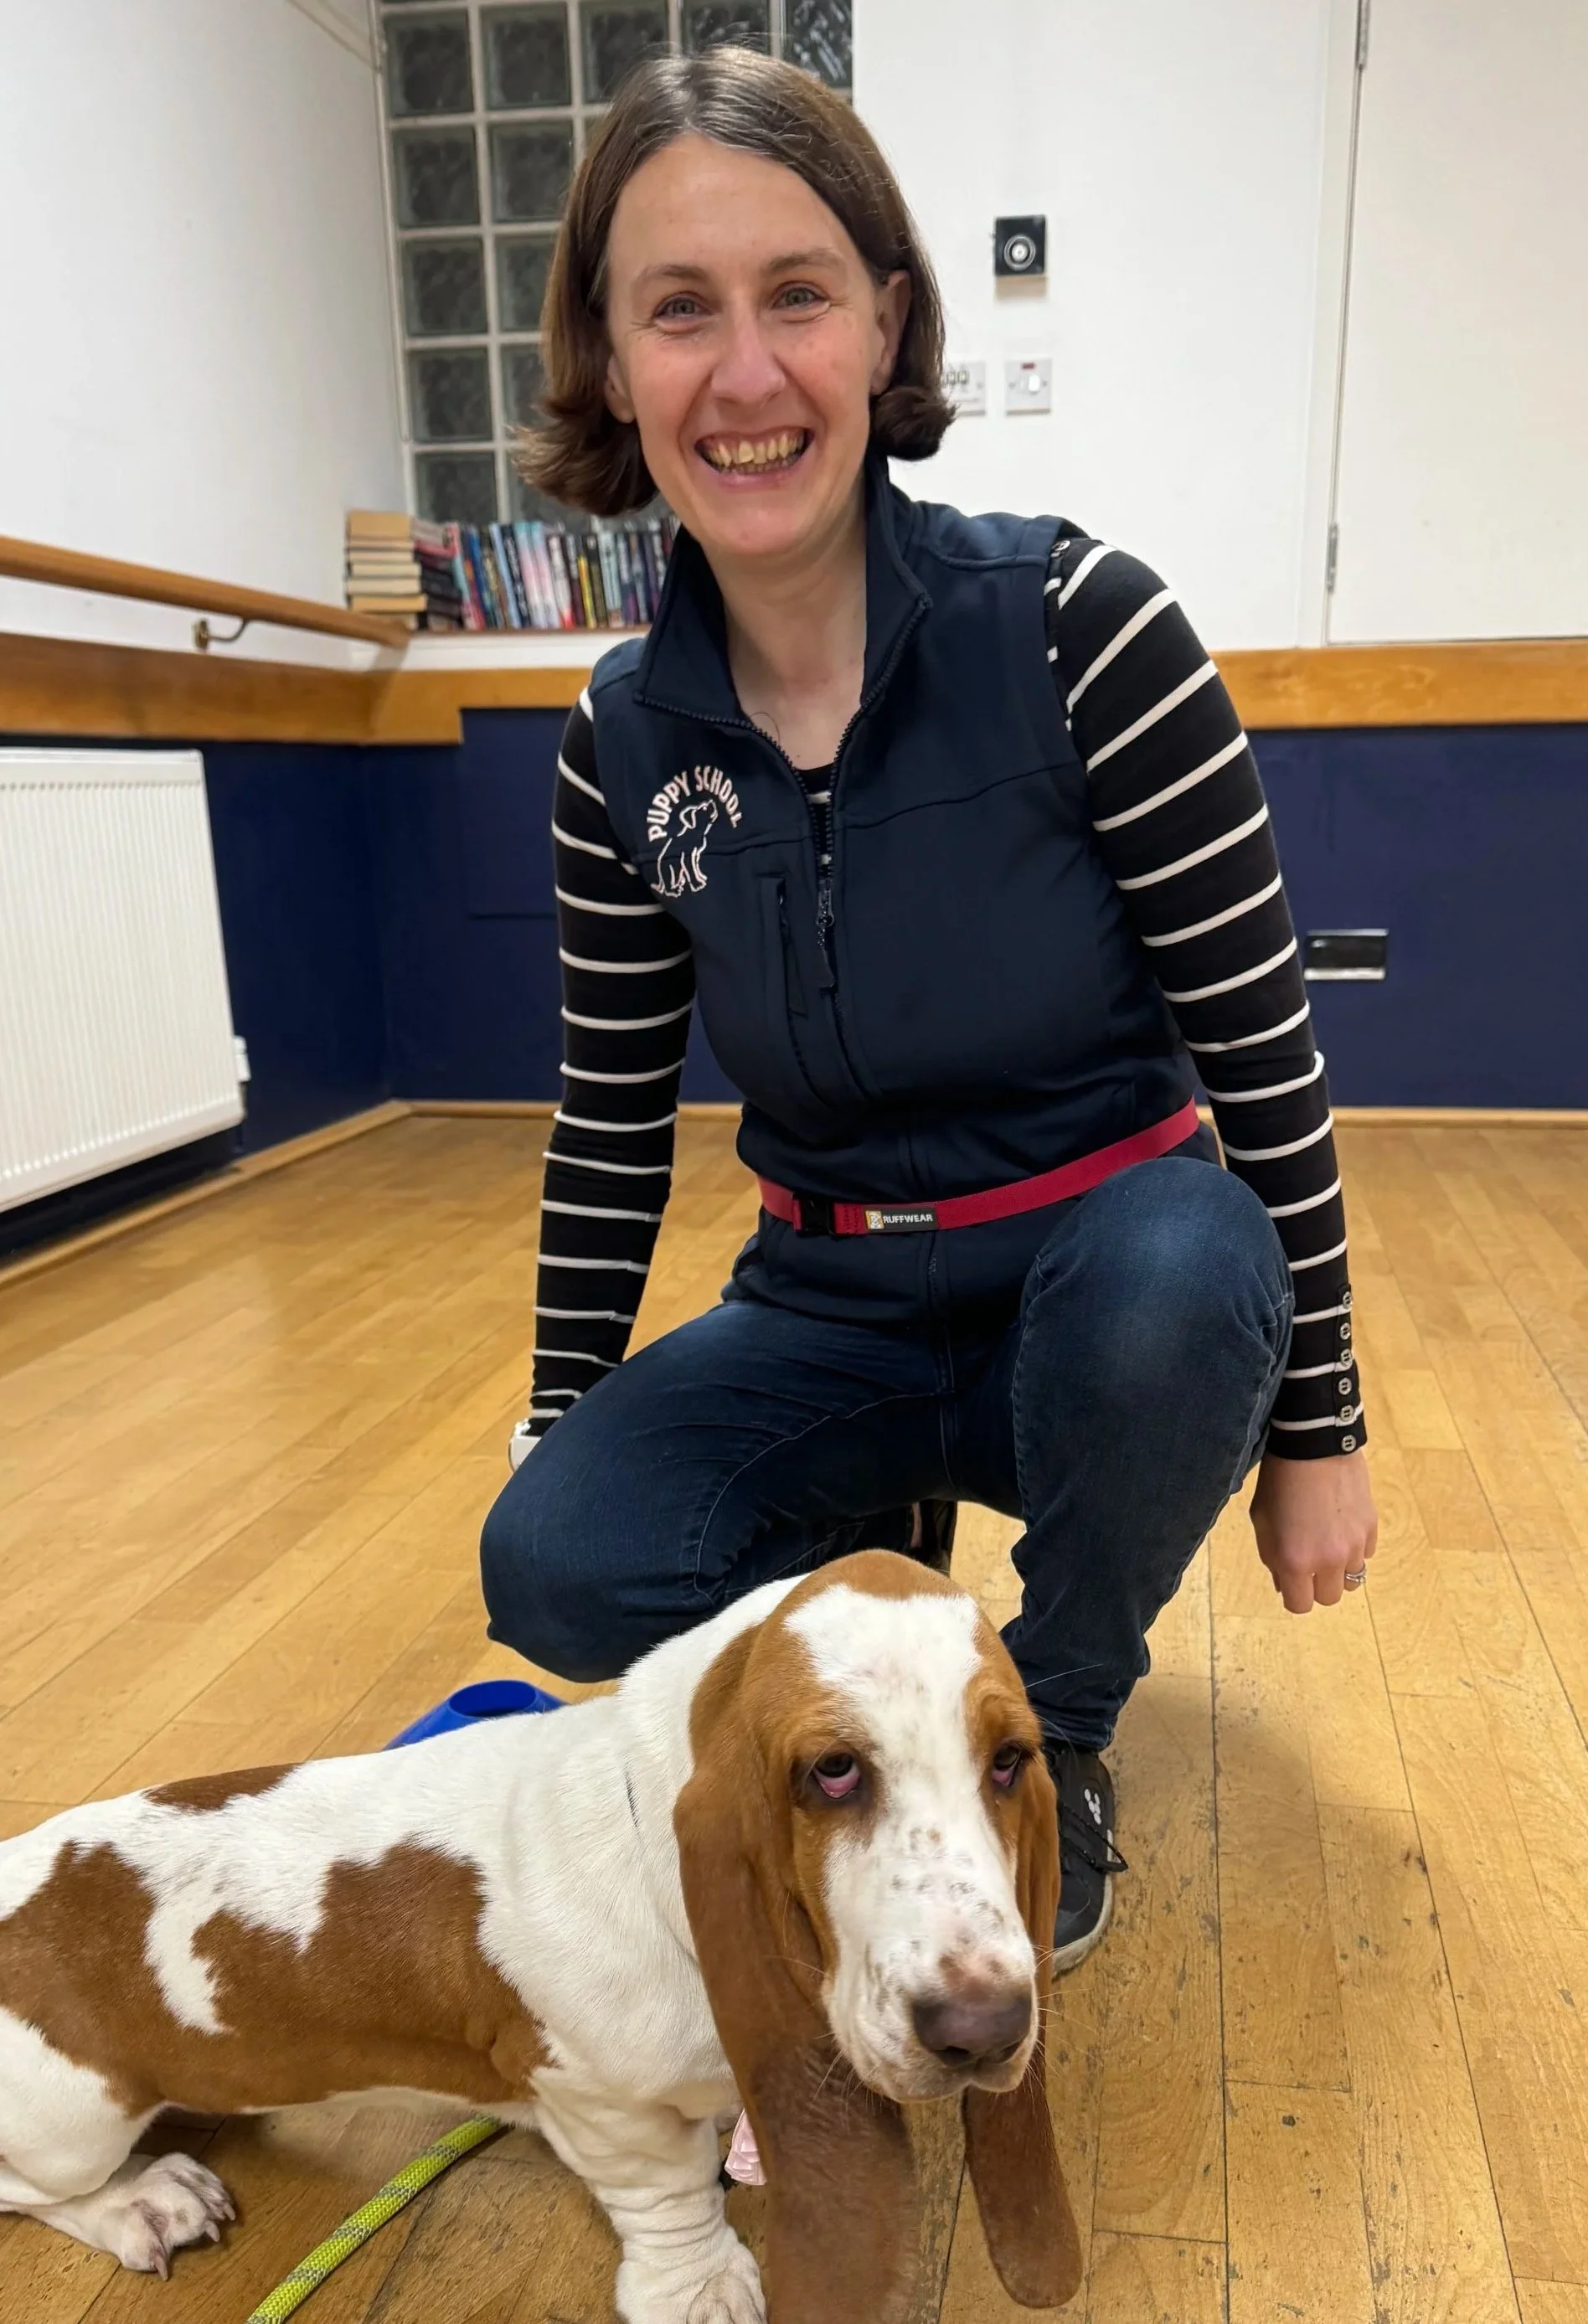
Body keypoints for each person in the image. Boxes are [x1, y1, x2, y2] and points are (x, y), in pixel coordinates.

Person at [480, 47, 1377, 1971]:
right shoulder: (615, 744)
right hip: (825, 1302)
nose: (743, 374)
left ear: (884, 323)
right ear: (610, 363)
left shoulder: (1087, 630)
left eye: (796, 294)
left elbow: (1263, 1063)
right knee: (550, 1556)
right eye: (677, 312)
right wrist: (555, 1418)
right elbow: (608, 1120)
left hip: (1103, 1276)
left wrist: (1321, 1426)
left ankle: (1043, 1730)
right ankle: (868, 1671)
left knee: (1185, 1264)